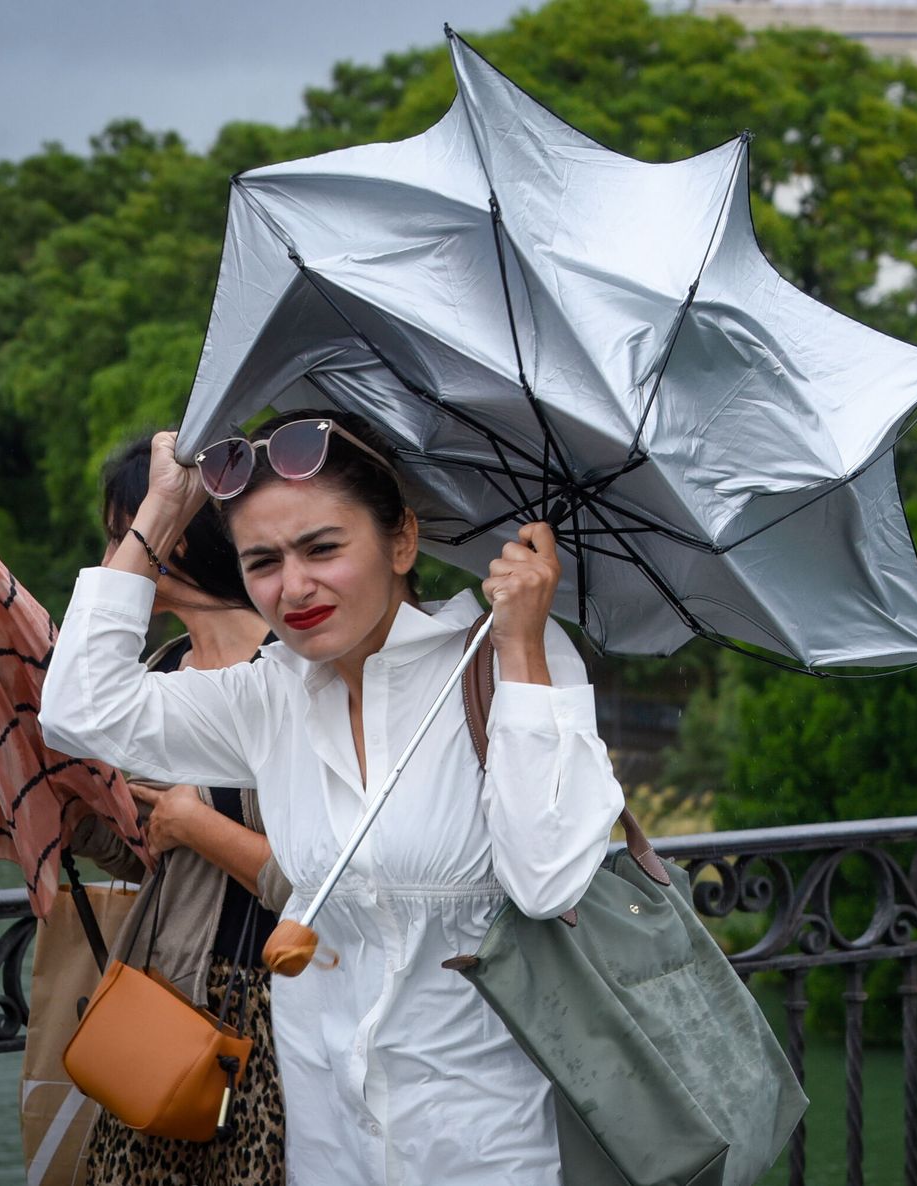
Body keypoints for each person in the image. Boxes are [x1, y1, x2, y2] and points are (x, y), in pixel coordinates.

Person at [41, 411, 625, 1185]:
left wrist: (519, 644)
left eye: (322, 548)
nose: (294, 587)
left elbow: (547, 879)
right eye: (263, 561)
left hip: (492, 1144)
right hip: (331, 1146)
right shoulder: (270, 696)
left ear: (402, 541)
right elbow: (80, 710)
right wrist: (162, 513)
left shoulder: (503, 658)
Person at [66, 434, 288, 1186]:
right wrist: (85, 820)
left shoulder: (287, 673)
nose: (114, 551)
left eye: (125, 529)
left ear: (177, 532)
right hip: (163, 996)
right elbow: (151, 864)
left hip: (268, 1015)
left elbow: (322, 880)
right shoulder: (158, 672)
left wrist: (195, 822)